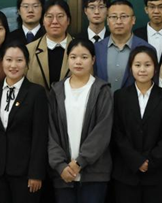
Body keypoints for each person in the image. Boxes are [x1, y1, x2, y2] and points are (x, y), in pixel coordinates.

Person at [48, 39, 113, 203]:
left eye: (84, 57)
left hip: (94, 174)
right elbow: (51, 132)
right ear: (67, 59)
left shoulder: (102, 90)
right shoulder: (56, 91)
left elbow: (102, 132)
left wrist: (79, 162)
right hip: (63, 174)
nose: (78, 61)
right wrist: (60, 165)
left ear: (93, 60)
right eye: (73, 57)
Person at [0, 41, 49, 203]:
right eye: (9, 60)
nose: (13, 65)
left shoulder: (36, 93)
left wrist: (36, 173)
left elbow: (40, 136)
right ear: (2, 62)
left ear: (27, 64)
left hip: (25, 173)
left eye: (19, 60)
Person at [112, 46, 162, 203]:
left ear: (155, 68)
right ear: (131, 68)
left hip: (158, 174)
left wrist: (150, 161)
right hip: (126, 173)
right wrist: (136, 161)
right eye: (137, 65)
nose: (142, 70)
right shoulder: (120, 96)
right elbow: (117, 133)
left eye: (147, 65)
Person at [94, 0, 152, 92]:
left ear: (133, 20)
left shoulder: (147, 49)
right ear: (107, 21)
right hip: (102, 100)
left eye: (124, 16)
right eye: (113, 17)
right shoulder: (96, 48)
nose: (118, 22)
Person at [27, 0, 74, 91]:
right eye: (49, 16)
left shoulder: (81, 49)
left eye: (60, 16)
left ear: (68, 20)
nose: (55, 21)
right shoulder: (29, 50)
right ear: (43, 21)